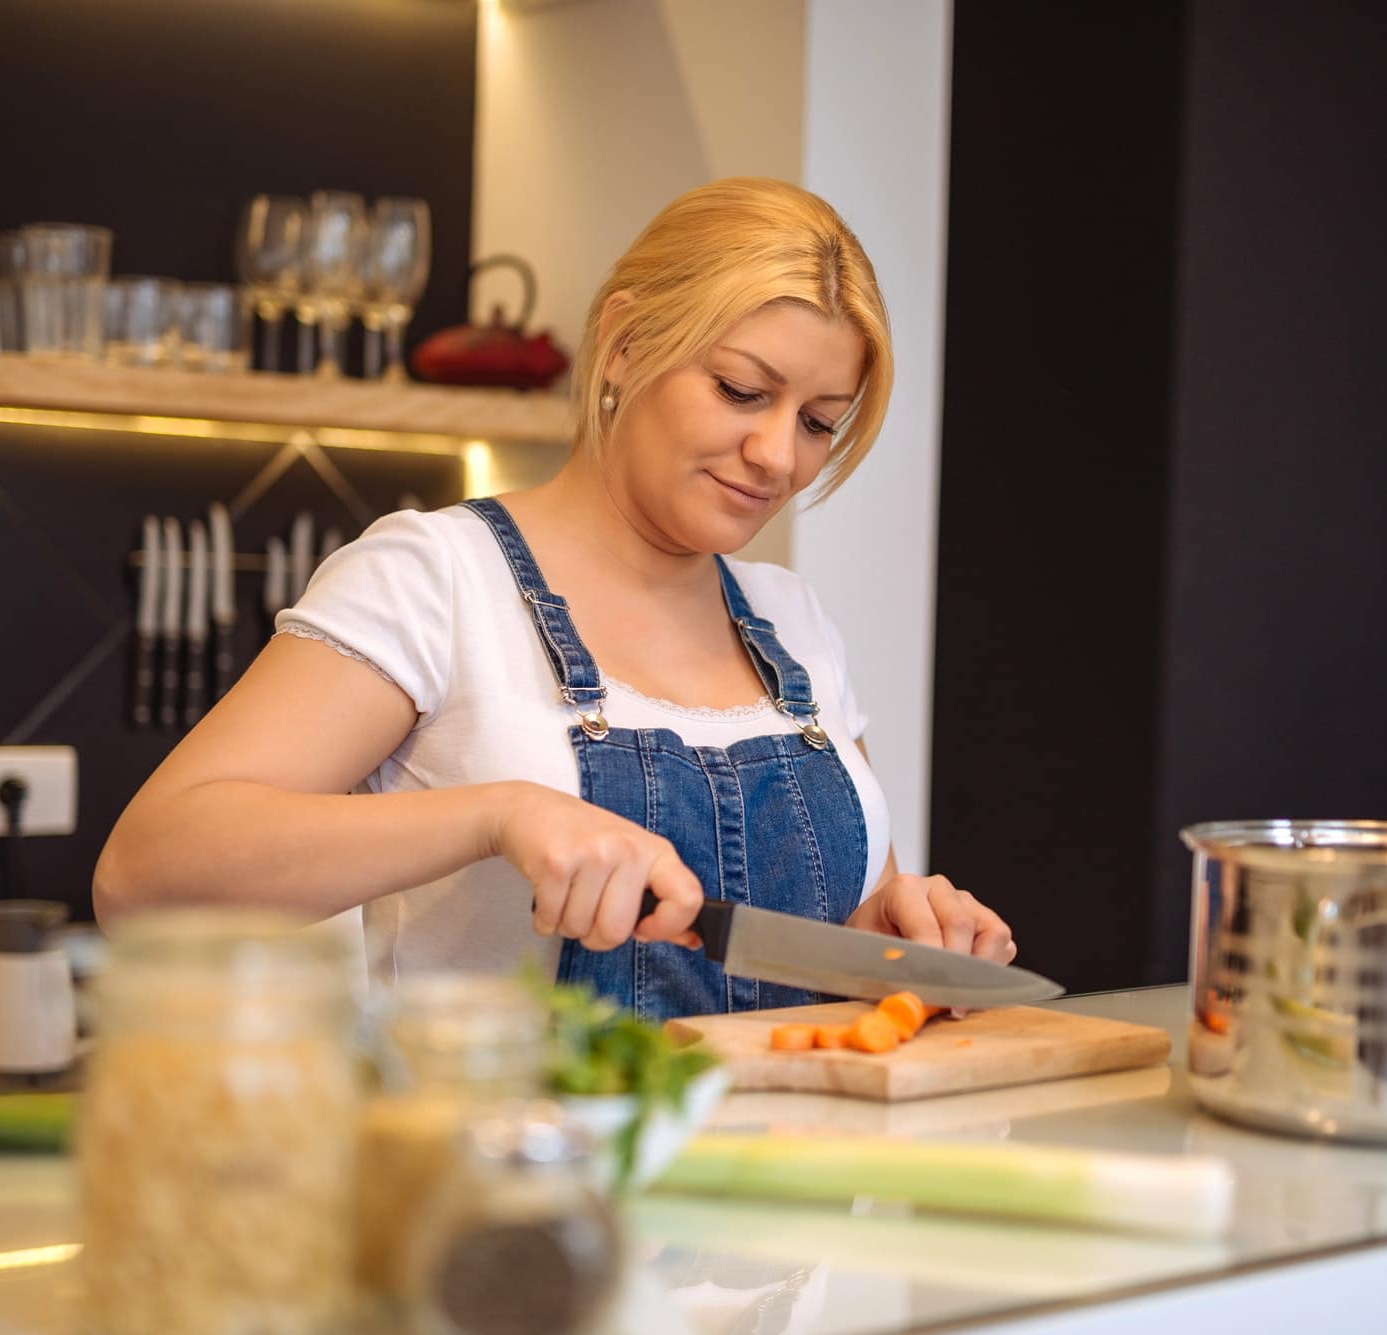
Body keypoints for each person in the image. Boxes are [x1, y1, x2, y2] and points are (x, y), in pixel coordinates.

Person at [94, 177, 1016, 1020]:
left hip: (793, 1191)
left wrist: (900, 935)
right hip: (510, 1190)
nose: (779, 455)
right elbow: (145, 875)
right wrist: (499, 816)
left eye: (818, 422)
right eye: (742, 391)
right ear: (623, 346)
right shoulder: (437, 578)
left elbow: (813, 957)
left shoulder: (793, 623)